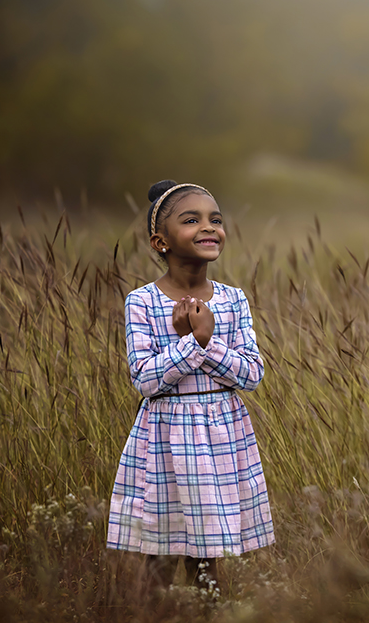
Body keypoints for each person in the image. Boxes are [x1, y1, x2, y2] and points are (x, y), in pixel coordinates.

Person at [106, 180, 275, 595]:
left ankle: (208, 613)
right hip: (165, 437)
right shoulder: (142, 301)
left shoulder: (233, 300)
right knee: (158, 554)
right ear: (160, 241)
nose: (209, 227)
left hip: (220, 436)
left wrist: (207, 341)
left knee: (207, 555)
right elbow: (145, 380)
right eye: (192, 220)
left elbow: (252, 374)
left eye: (215, 219)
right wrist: (190, 343)